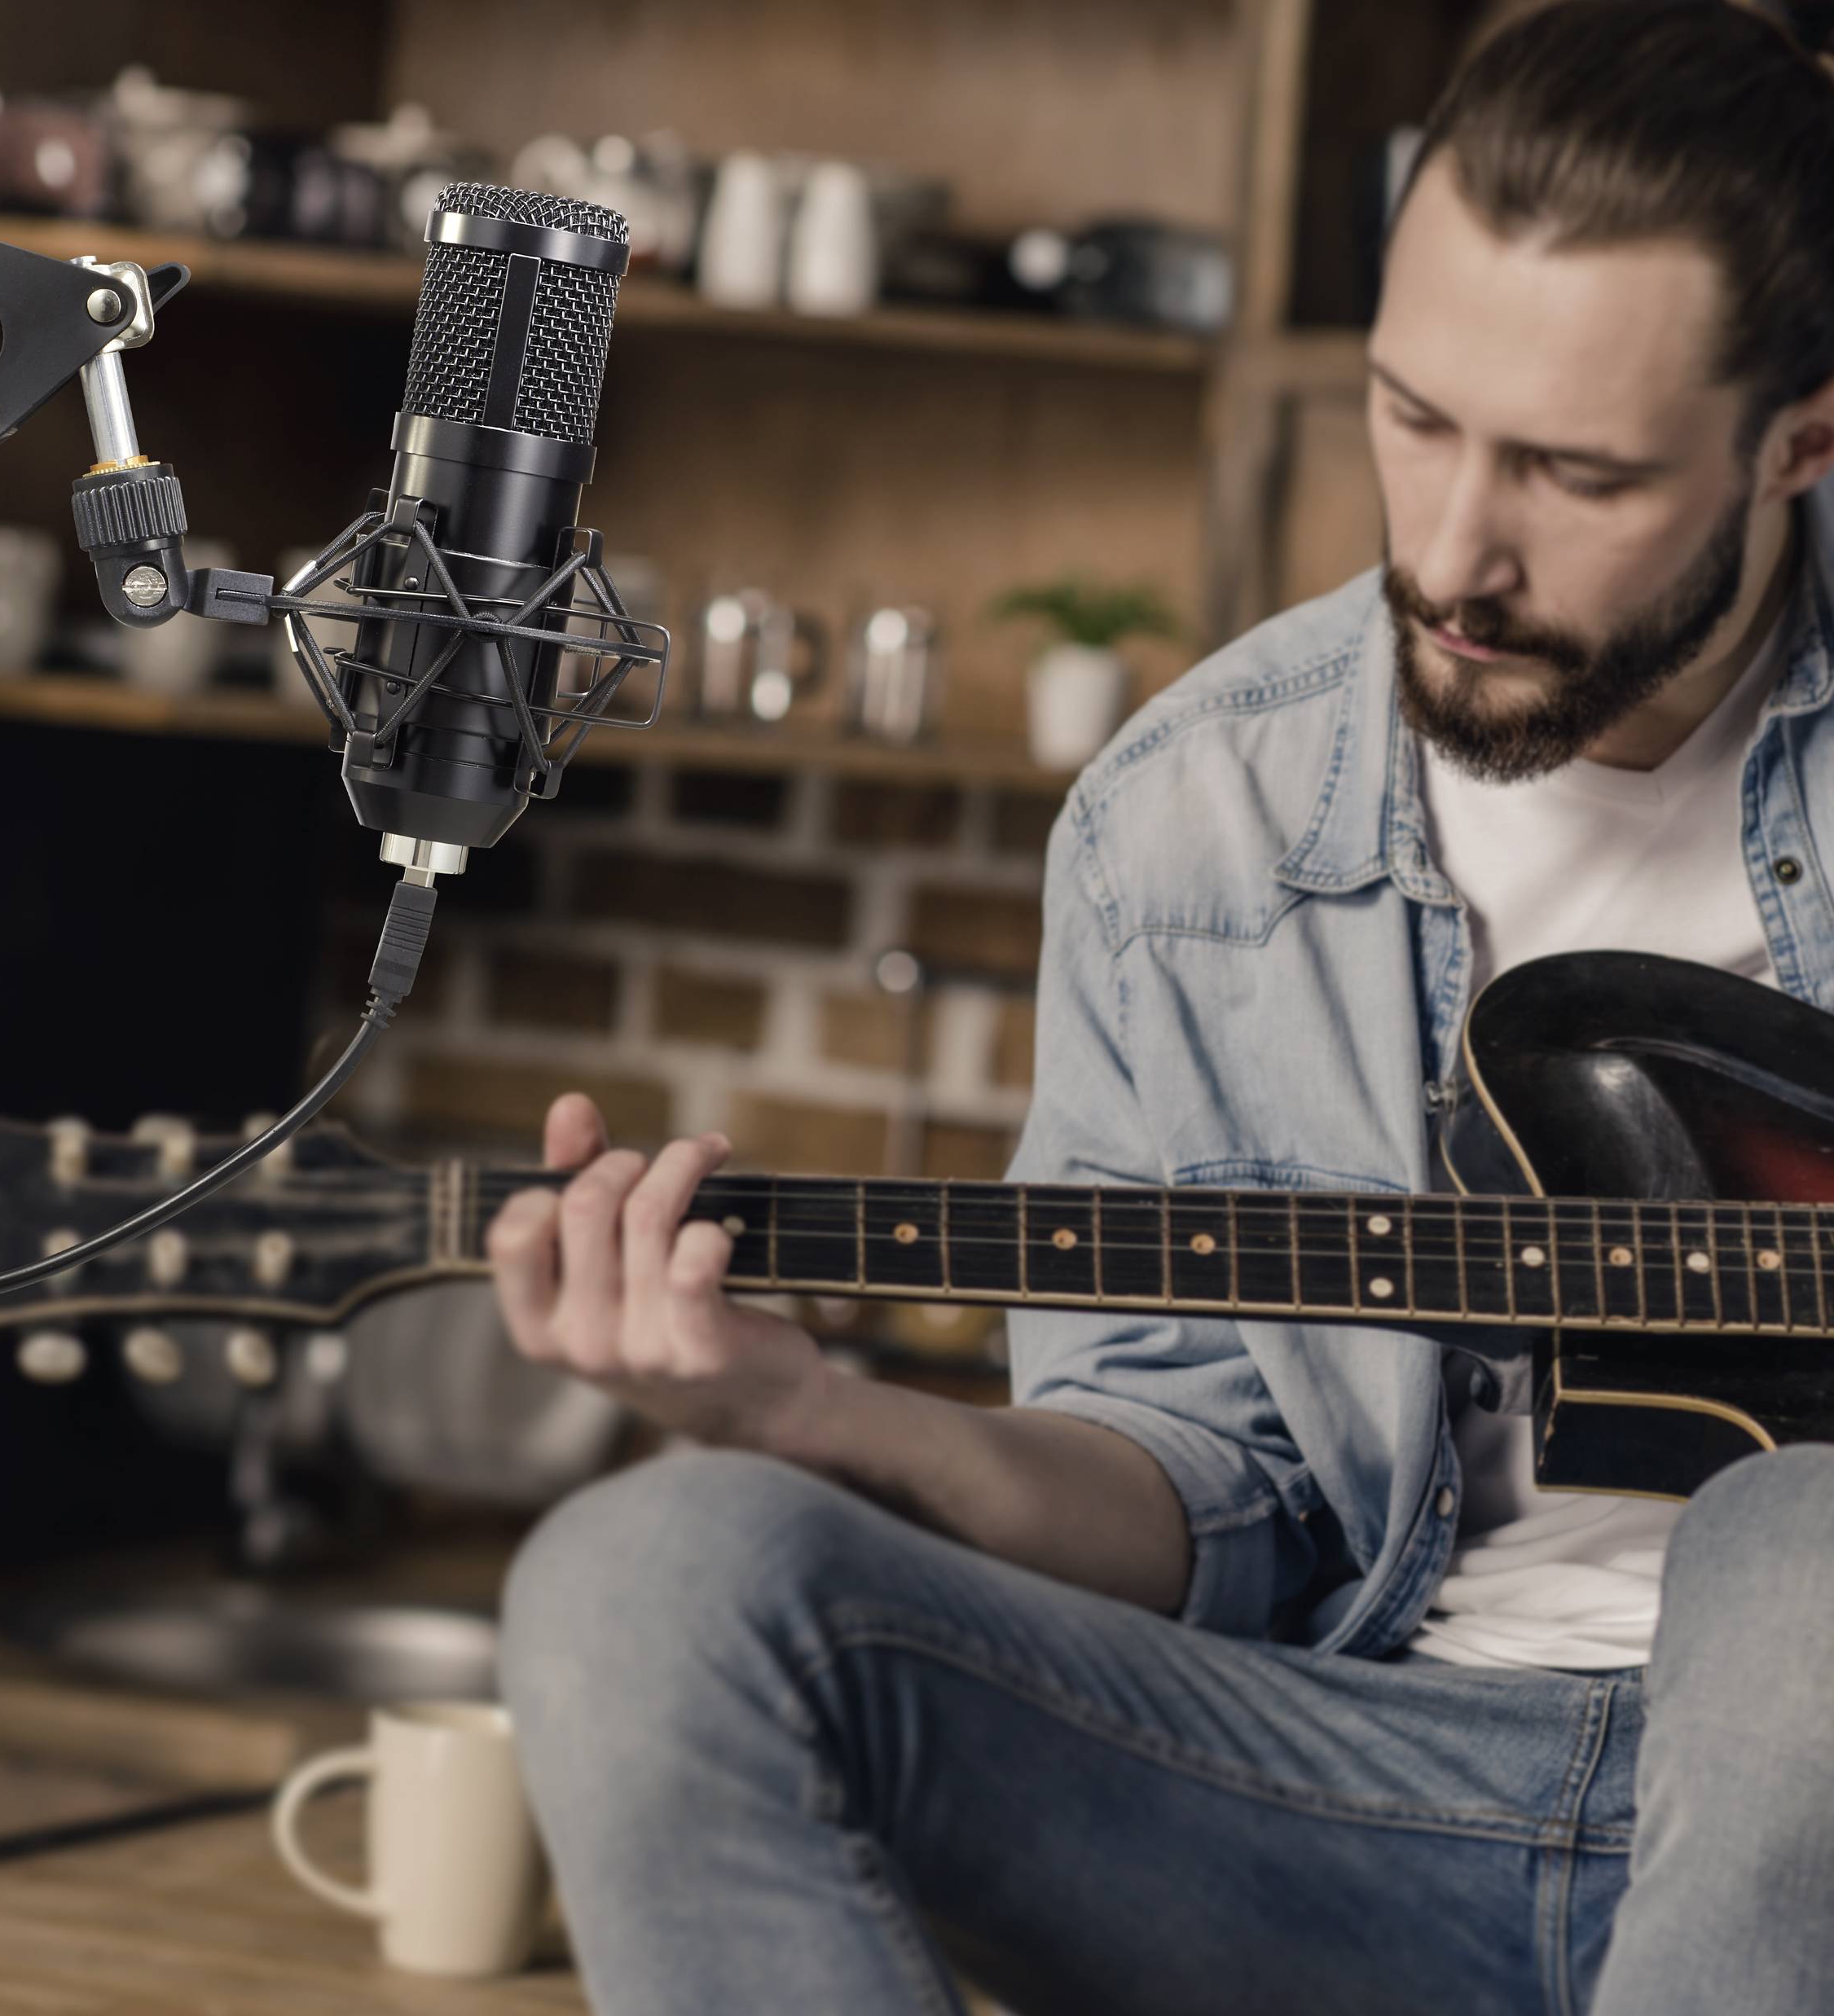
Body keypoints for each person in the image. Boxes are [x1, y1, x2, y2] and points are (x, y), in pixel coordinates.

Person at [485, 7, 1834, 2010]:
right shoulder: (1192, 818)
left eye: (1575, 471)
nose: (1454, 550)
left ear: (1802, 439)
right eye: (1412, 417)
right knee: (643, 1574)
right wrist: (810, 1415)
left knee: (1800, 1559)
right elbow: (1201, 1496)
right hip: (1351, 1790)